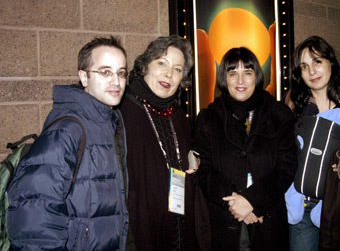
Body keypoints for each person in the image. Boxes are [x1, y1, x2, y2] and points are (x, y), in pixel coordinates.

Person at [6, 36, 129, 250]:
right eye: (105, 72)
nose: (116, 81)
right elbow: (34, 220)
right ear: (84, 77)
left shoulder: (107, 123)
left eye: (121, 73)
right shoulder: (68, 130)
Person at [193, 47, 298, 250]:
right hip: (223, 224)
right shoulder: (208, 118)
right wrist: (236, 203)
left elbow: (286, 167)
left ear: (256, 76)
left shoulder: (279, 114)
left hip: (267, 222)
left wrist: (252, 201)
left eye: (247, 73)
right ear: (224, 78)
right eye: (233, 74)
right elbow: (204, 170)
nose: (240, 81)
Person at [119, 35, 210, 251]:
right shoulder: (122, 110)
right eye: (162, 63)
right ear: (144, 66)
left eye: (178, 69)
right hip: (140, 228)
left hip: (179, 226)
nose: (169, 74)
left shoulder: (177, 114)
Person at [285, 36, 340, 251]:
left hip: (339, 204)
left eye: (317, 61)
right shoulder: (295, 107)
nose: (311, 71)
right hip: (301, 206)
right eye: (304, 66)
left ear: (330, 62)